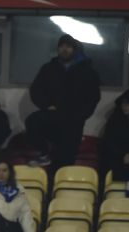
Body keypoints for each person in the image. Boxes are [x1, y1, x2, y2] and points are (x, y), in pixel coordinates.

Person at [25, 34, 101, 168]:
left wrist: (80, 116)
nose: (64, 49)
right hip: (53, 116)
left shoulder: (87, 71)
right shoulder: (48, 69)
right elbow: (36, 90)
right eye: (61, 46)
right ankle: (45, 153)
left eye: (68, 47)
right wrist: (46, 105)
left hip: (73, 122)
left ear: (74, 49)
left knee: (65, 161)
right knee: (32, 121)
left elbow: (93, 97)